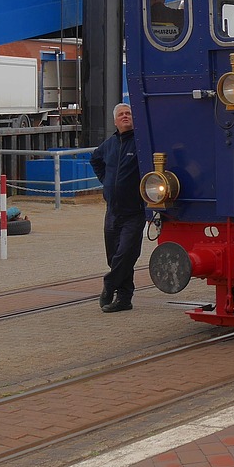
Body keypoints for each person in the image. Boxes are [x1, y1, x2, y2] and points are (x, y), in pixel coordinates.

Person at [90, 102, 145, 312]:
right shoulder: (109, 145)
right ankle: (124, 299)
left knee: (126, 253)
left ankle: (109, 284)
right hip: (112, 211)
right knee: (114, 256)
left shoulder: (141, 143)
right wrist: (106, 181)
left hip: (135, 210)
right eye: (121, 114)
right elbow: (95, 159)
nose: (125, 116)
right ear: (115, 121)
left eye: (129, 113)